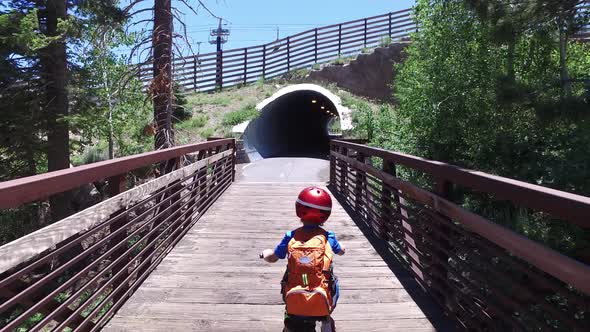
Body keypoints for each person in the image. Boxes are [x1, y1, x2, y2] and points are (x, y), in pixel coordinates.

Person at [260, 186, 346, 332]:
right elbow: (341, 251)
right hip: (320, 295)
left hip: (295, 295)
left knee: (290, 295)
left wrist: (265, 254)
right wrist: (341, 247)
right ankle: (326, 318)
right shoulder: (328, 237)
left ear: (299, 210)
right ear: (326, 214)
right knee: (334, 285)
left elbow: (273, 257)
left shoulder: (290, 236)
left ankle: (289, 325)